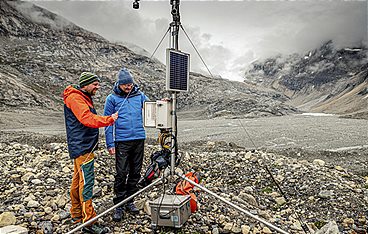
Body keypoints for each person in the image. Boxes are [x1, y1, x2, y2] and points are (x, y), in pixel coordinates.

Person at [63, 72, 118, 234]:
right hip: (83, 147)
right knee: (86, 183)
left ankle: (77, 214)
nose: (97, 87)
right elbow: (87, 119)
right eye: (95, 84)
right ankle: (89, 223)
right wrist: (109, 119)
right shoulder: (76, 98)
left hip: (81, 146)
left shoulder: (80, 96)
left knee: (77, 180)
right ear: (85, 84)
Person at [104, 67, 149, 222]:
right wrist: (110, 143)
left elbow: (151, 109)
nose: (128, 86)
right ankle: (119, 205)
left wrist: (161, 104)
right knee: (121, 173)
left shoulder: (140, 95)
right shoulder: (112, 99)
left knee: (135, 172)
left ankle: (130, 201)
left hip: (139, 138)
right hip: (122, 141)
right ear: (119, 84)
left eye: (130, 83)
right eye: (125, 85)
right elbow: (108, 122)